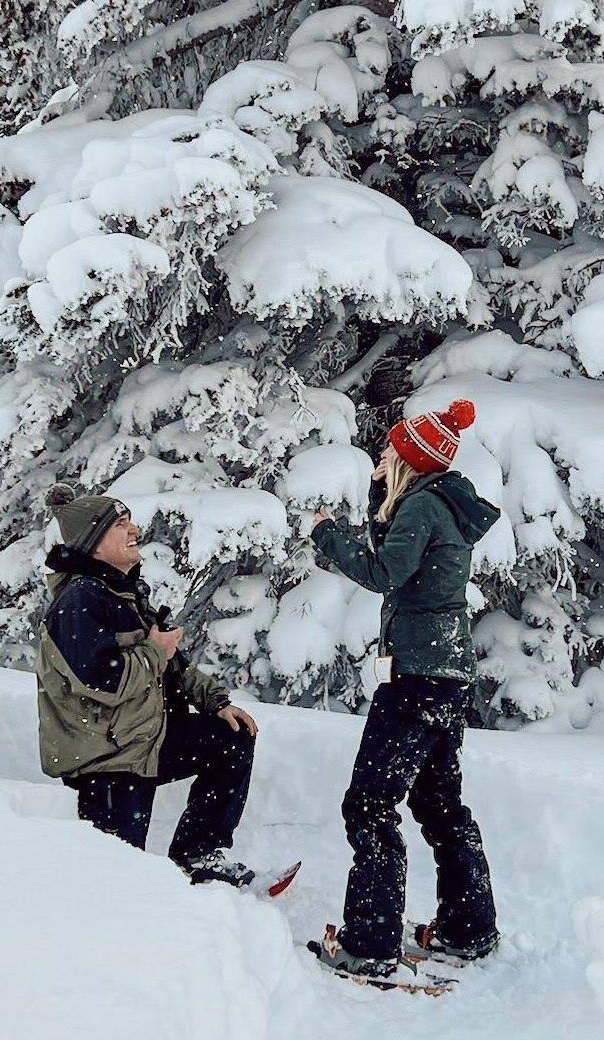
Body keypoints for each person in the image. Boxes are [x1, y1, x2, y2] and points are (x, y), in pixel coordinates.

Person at [310, 398, 502, 980]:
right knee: (438, 802)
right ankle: (468, 929)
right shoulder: (437, 503)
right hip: (446, 675)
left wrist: (327, 535)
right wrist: (379, 496)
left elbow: (383, 572)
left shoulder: (422, 506)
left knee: (369, 804)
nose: (383, 452)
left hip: (415, 676)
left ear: (408, 457)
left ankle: (369, 945)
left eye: (392, 446)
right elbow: (396, 549)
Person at [34, 481, 260, 885]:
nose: (134, 530)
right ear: (94, 542)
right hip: (105, 755)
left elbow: (172, 666)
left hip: (142, 739)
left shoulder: (123, 594)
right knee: (116, 877)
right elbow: (103, 681)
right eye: (120, 524)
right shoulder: (79, 601)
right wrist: (155, 650)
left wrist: (216, 702)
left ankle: (198, 854)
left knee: (231, 736)